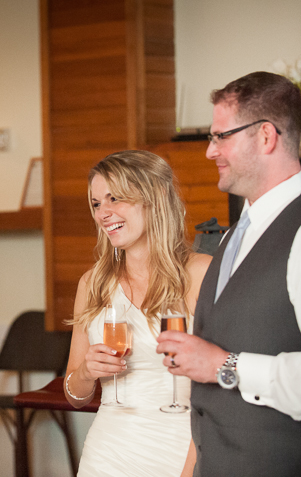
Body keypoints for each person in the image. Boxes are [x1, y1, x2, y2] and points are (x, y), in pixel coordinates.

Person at [156, 71, 301, 476]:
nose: (210, 151)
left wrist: (224, 366)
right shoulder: (234, 233)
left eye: (221, 136)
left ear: (266, 136)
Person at [64, 150, 211, 477]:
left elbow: (218, 396)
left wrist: (191, 471)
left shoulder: (200, 274)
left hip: (180, 450)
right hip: (105, 455)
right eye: (97, 203)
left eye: (114, 198)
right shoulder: (92, 284)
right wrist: (87, 372)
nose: (104, 213)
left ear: (154, 196)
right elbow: (74, 395)